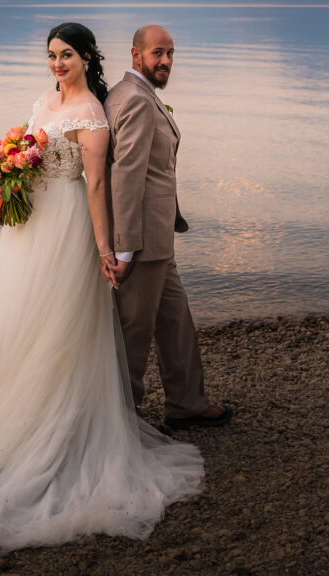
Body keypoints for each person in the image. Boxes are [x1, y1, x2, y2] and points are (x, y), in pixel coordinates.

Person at [0, 22, 203, 564]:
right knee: (21, 324)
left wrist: (104, 247)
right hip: (29, 236)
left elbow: (97, 184)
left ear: (86, 57)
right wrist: (5, 176)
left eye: (66, 55)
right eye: (51, 55)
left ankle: (88, 420)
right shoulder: (42, 101)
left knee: (65, 330)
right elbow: (38, 152)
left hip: (68, 234)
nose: (57, 63)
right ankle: (23, 423)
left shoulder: (94, 112)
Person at [104, 24, 233, 430]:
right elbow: (126, 175)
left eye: (171, 53)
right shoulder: (137, 101)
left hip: (158, 238)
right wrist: (124, 248)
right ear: (135, 54)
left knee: (176, 321)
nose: (166, 61)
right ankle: (124, 421)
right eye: (158, 52)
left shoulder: (129, 94)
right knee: (135, 333)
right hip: (141, 242)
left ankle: (187, 402)